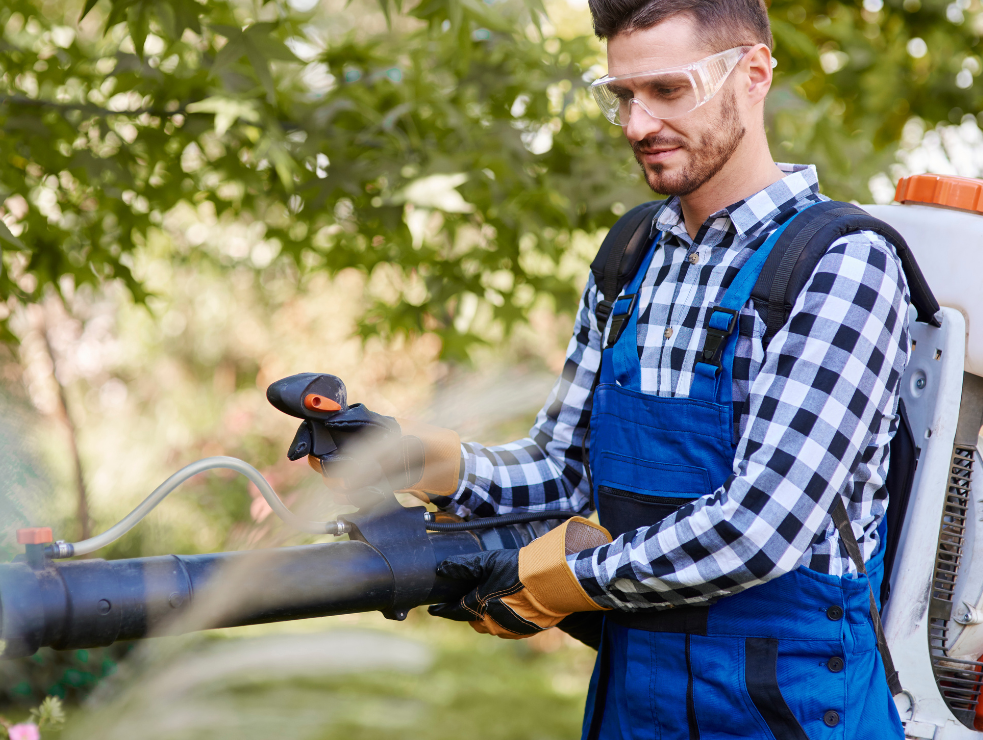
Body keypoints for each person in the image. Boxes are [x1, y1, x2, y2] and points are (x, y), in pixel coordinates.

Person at [294, 0, 909, 735]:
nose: (636, 126)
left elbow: (760, 528)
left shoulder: (839, 265)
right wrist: (420, 462)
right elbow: (566, 472)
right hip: (635, 699)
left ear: (753, 73)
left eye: (667, 91)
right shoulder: (631, 258)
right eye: (622, 95)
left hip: (794, 704)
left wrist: (565, 581)